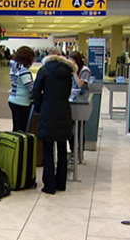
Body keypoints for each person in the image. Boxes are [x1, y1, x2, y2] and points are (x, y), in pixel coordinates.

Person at [32, 51, 77, 195]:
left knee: (48, 148)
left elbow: (36, 93)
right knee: (62, 147)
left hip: (48, 109)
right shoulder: (68, 72)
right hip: (64, 110)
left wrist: (39, 107)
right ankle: (61, 183)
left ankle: (49, 185)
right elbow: (69, 92)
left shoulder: (44, 71)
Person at [68, 51, 92, 154]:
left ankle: (80, 151)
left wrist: (74, 72)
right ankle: (73, 149)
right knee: (69, 128)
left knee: (80, 128)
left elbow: (80, 85)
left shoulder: (84, 70)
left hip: (81, 100)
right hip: (71, 100)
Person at [8, 46, 35, 132]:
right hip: (22, 102)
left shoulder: (14, 68)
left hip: (13, 99)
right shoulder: (24, 71)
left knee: (16, 128)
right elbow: (30, 89)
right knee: (22, 130)